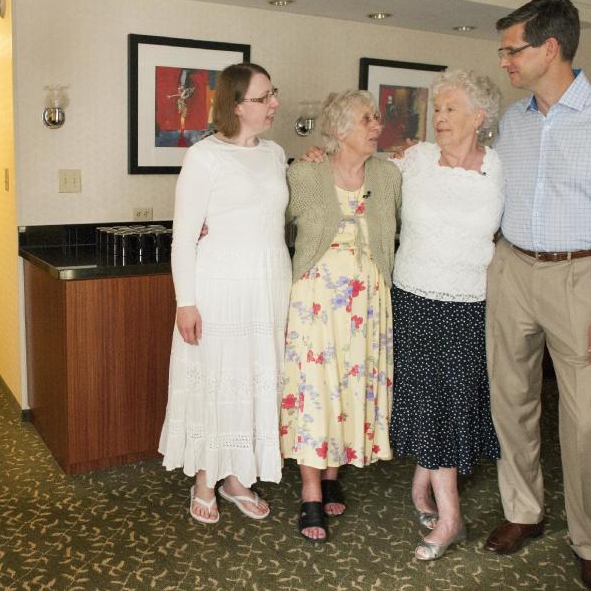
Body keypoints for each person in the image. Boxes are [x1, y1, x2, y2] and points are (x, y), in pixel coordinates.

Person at [484, 0, 591, 591]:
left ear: (549, 48)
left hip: (584, 280)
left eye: (512, 49)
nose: (504, 60)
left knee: (583, 424)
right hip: (511, 269)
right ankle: (523, 511)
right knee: (511, 400)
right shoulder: (513, 120)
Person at [158, 62, 291, 524]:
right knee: (217, 381)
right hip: (220, 290)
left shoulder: (275, 154)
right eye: (264, 97)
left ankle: (237, 478)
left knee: (255, 382)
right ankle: (204, 479)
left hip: (269, 288)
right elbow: (184, 235)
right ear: (237, 106)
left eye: (274, 93)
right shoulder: (204, 156)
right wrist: (185, 301)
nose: (275, 103)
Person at [387, 69, 505, 560]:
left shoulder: (499, 167)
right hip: (414, 296)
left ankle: (426, 477)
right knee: (426, 398)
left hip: (471, 303)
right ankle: (451, 516)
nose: (440, 118)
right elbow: (355, 179)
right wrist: (314, 161)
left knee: (455, 400)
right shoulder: (413, 159)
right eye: (438, 109)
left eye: (451, 109)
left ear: (479, 117)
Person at [280, 90, 401, 542]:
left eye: (376, 118)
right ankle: (311, 490)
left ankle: (332, 472)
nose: (376, 126)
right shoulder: (306, 172)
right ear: (339, 129)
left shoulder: (388, 174)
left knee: (350, 387)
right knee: (316, 391)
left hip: (368, 302)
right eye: (367, 118)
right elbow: (267, 217)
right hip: (315, 301)